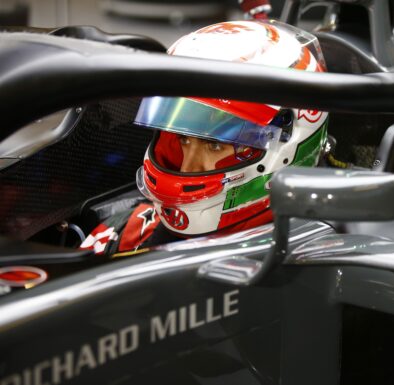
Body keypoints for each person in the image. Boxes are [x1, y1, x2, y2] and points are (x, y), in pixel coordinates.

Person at [80, 20, 329, 255]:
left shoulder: (325, 254)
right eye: (183, 140)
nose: (187, 167)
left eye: (214, 145)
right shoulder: (129, 235)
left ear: (284, 147)